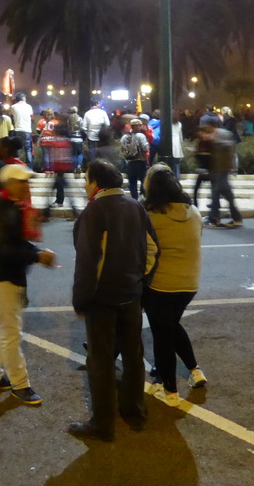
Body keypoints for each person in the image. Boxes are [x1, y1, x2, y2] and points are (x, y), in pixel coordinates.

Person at [69, 159, 158, 442]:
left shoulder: (94, 211)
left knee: (101, 361)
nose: (85, 186)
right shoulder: (135, 206)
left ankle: (103, 424)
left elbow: (88, 262)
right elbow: (153, 249)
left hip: (103, 300)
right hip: (131, 296)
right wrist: (140, 280)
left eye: (86, 180)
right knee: (133, 356)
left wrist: (81, 300)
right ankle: (135, 413)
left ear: (96, 183)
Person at [0, 163, 57, 405]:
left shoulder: (9, 207)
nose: (26, 186)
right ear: (9, 183)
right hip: (1, 279)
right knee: (11, 333)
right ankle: (20, 384)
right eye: (22, 181)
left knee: (7, 330)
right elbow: (2, 248)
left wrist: (35, 252)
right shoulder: (4, 211)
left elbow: (13, 244)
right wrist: (36, 255)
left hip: (3, 277)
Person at [142, 165, 206, 407]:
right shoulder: (195, 212)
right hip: (189, 285)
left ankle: (169, 392)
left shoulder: (150, 215)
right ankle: (195, 370)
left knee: (162, 336)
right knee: (170, 326)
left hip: (160, 285)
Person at [204, 123, 242, 228]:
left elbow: (228, 148)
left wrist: (214, 141)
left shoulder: (222, 134)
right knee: (224, 194)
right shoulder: (218, 135)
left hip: (222, 169)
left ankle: (214, 218)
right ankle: (235, 217)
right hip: (219, 169)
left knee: (217, 193)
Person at [120, 118, 150, 200]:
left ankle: (134, 198)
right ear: (138, 126)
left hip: (130, 162)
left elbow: (122, 149)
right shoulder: (141, 136)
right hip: (140, 161)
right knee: (143, 180)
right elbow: (145, 147)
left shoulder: (124, 137)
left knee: (132, 182)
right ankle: (142, 197)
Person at [10, 92, 35, 165]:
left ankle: (18, 165)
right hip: (27, 130)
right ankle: (30, 167)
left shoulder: (13, 107)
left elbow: (11, 117)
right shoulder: (29, 106)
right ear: (23, 98)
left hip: (17, 130)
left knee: (18, 149)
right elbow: (32, 118)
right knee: (28, 149)